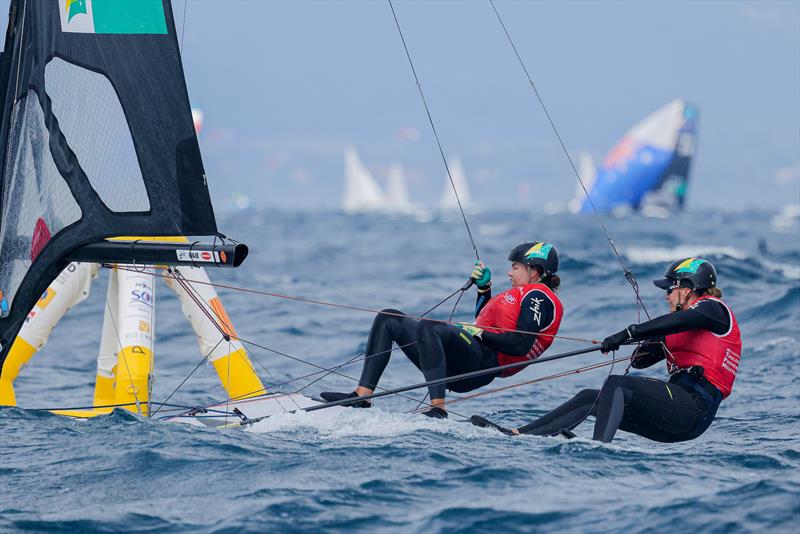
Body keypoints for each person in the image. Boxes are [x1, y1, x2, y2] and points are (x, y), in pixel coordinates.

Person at [472, 257, 742, 443]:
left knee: (616, 384)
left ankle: (597, 448)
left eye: (670, 289)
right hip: (678, 421)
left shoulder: (713, 309)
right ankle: (520, 434)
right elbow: (640, 362)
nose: (666, 296)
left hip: (694, 407)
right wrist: (645, 344)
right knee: (592, 397)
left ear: (688, 288)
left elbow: (680, 320)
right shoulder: (685, 324)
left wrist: (628, 333)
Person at [320, 241, 564, 418]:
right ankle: (362, 396)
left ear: (534, 271)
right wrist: (484, 289)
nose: (509, 272)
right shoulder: (521, 293)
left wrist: (479, 334)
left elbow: (520, 344)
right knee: (389, 318)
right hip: (468, 356)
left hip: (482, 365)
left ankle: (437, 409)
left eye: (516, 267)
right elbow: (484, 322)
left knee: (431, 327)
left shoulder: (539, 297)